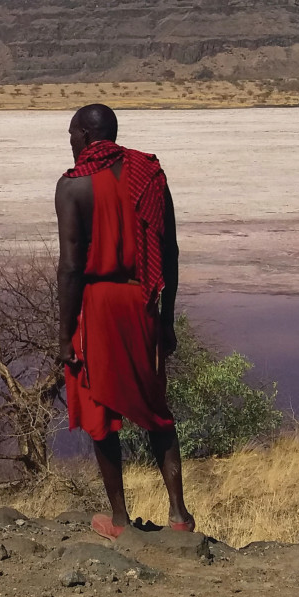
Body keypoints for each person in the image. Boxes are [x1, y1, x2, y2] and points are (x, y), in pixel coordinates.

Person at [55, 103, 193, 540]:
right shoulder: (149, 174)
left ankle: (119, 521)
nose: (71, 144)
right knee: (156, 410)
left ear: (84, 134)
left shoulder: (73, 186)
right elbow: (169, 253)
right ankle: (179, 515)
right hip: (144, 302)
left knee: (100, 410)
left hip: (99, 304)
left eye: (72, 135)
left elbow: (72, 267)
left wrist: (64, 335)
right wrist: (166, 318)